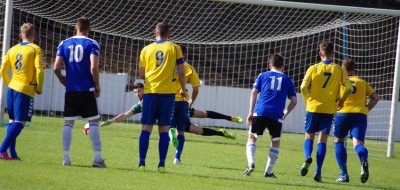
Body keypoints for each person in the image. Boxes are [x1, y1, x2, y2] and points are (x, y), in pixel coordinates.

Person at [96, 83, 236, 141]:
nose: (137, 94)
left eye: (139, 91)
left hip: (178, 110)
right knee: (198, 131)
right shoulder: (141, 105)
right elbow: (126, 114)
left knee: (204, 114)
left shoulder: (154, 97)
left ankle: (229, 117)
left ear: (145, 90)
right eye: (135, 92)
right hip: (173, 121)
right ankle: (221, 132)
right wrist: (111, 121)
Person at [53, 17, 106, 168]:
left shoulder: (64, 43)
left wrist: (61, 78)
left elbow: (56, 67)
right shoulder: (92, 43)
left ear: (75, 27)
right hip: (86, 89)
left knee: (68, 123)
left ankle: (66, 158)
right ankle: (97, 158)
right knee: (93, 122)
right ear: (89, 29)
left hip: (71, 90)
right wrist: (97, 85)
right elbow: (94, 67)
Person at [299, 40, 352, 182]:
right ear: (333, 53)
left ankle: (307, 157)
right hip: (329, 110)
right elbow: (349, 88)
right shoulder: (339, 69)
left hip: (313, 107)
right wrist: (341, 101)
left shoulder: (313, 68)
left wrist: (307, 100)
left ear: (319, 53)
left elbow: (303, 87)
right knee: (322, 140)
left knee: (309, 136)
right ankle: (318, 171)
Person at [138, 22, 186, 172]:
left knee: (146, 128)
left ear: (154, 34)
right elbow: (182, 72)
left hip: (150, 93)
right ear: (169, 35)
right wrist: (183, 89)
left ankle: (142, 163)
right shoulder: (175, 48)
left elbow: (141, 74)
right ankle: (161, 164)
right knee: (164, 129)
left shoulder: (146, 49)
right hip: (167, 95)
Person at [243, 53, 297, 178]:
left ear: (269, 65)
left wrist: (250, 112)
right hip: (276, 115)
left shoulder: (263, 75)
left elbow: (254, 92)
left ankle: (251, 163)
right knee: (275, 142)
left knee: (252, 138)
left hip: (260, 112)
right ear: (283, 66)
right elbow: (294, 101)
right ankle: (268, 171)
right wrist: (285, 113)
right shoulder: (288, 80)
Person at [0, 23, 45, 160]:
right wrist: (39, 87)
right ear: (34, 36)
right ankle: (2, 150)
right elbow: (39, 69)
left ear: (20, 36)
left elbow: (2, 71)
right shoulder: (35, 49)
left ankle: (12, 154)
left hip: (12, 88)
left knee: (13, 121)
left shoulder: (12, 49)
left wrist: (10, 84)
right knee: (20, 123)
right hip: (25, 90)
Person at [333, 58, 379, 183]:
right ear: (354, 68)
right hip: (360, 115)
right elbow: (376, 97)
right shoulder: (362, 82)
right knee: (358, 144)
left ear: (343, 68)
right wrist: (366, 109)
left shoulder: (340, 82)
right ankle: (364, 160)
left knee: (338, 141)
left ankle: (344, 174)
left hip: (342, 114)